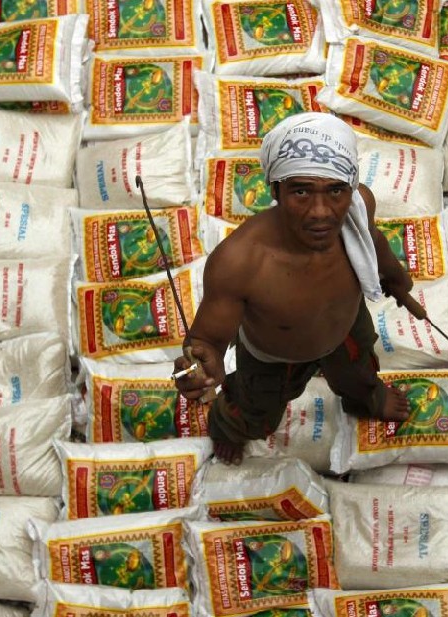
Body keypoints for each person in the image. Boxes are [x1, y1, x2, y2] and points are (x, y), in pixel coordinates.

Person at [173, 112, 414, 464]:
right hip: (275, 356)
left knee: (360, 376)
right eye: (300, 191)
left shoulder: (359, 207)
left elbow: (371, 240)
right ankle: (227, 426)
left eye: (335, 191)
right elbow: (206, 341)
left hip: (344, 328)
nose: (320, 212)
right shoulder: (241, 261)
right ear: (276, 190)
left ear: (350, 188)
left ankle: (366, 398)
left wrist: (395, 279)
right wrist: (200, 362)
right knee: (254, 414)